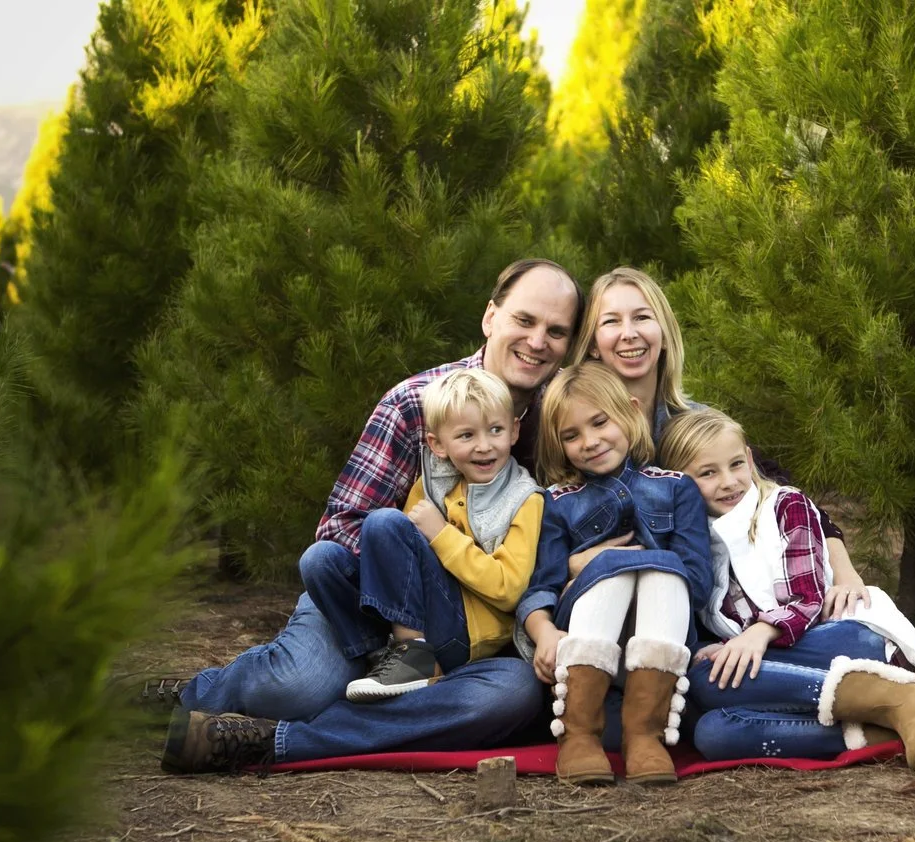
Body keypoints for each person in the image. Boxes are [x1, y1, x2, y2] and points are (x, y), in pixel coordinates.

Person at [158, 259, 582, 774]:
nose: (538, 341)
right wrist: (409, 601)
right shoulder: (415, 405)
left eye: (556, 332)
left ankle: (280, 738)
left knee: (510, 697)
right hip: (368, 604)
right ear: (491, 316)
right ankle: (194, 696)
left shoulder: (565, 424)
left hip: (479, 633)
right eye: (525, 320)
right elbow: (340, 528)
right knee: (297, 684)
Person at [658, 407, 915, 771]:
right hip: (785, 664)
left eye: (735, 464)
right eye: (708, 473)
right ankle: (905, 722)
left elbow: (806, 596)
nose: (729, 481)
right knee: (713, 732)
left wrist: (755, 635)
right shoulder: (699, 541)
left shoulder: (784, 505)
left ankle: (896, 691)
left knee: (705, 680)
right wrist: (724, 645)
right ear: (679, 483)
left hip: (848, 639)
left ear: (749, 458)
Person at [567, 266, 874, 619]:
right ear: (591, 344)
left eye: (642, 317)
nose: (629, 333)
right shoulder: (575, 430)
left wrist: (847, 576)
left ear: (664, 334)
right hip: (597, 608)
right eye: (611, 322)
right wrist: (571, 564)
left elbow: (786, 499)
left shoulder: (695, 423)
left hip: (702, 606)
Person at [518, 364, 712, 786]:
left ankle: (644, 735)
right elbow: (540, 589)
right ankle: (580, 734)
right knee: (612, 570)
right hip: (587, 644)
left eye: (599, 422)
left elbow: (697, 584)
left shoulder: (677, 488)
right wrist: (545, 634)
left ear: (632, 412)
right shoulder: (557, 502)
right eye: (571, 436)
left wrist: (640, 563)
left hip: (663, 646)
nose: (589, 442)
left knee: (660, 574)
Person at [304, 368, 544, 701]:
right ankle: (380, 659)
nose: (484, 446)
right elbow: (399, 560)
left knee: (384, 522)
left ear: (514, 430)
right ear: (437, 444)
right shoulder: (433, 483)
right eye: (466, 436)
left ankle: (413, 658)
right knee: (320, 559)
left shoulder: (523, 499)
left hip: (465, 633)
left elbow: (510, 589)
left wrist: (442, 533)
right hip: (419, 614)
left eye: (495, 430)